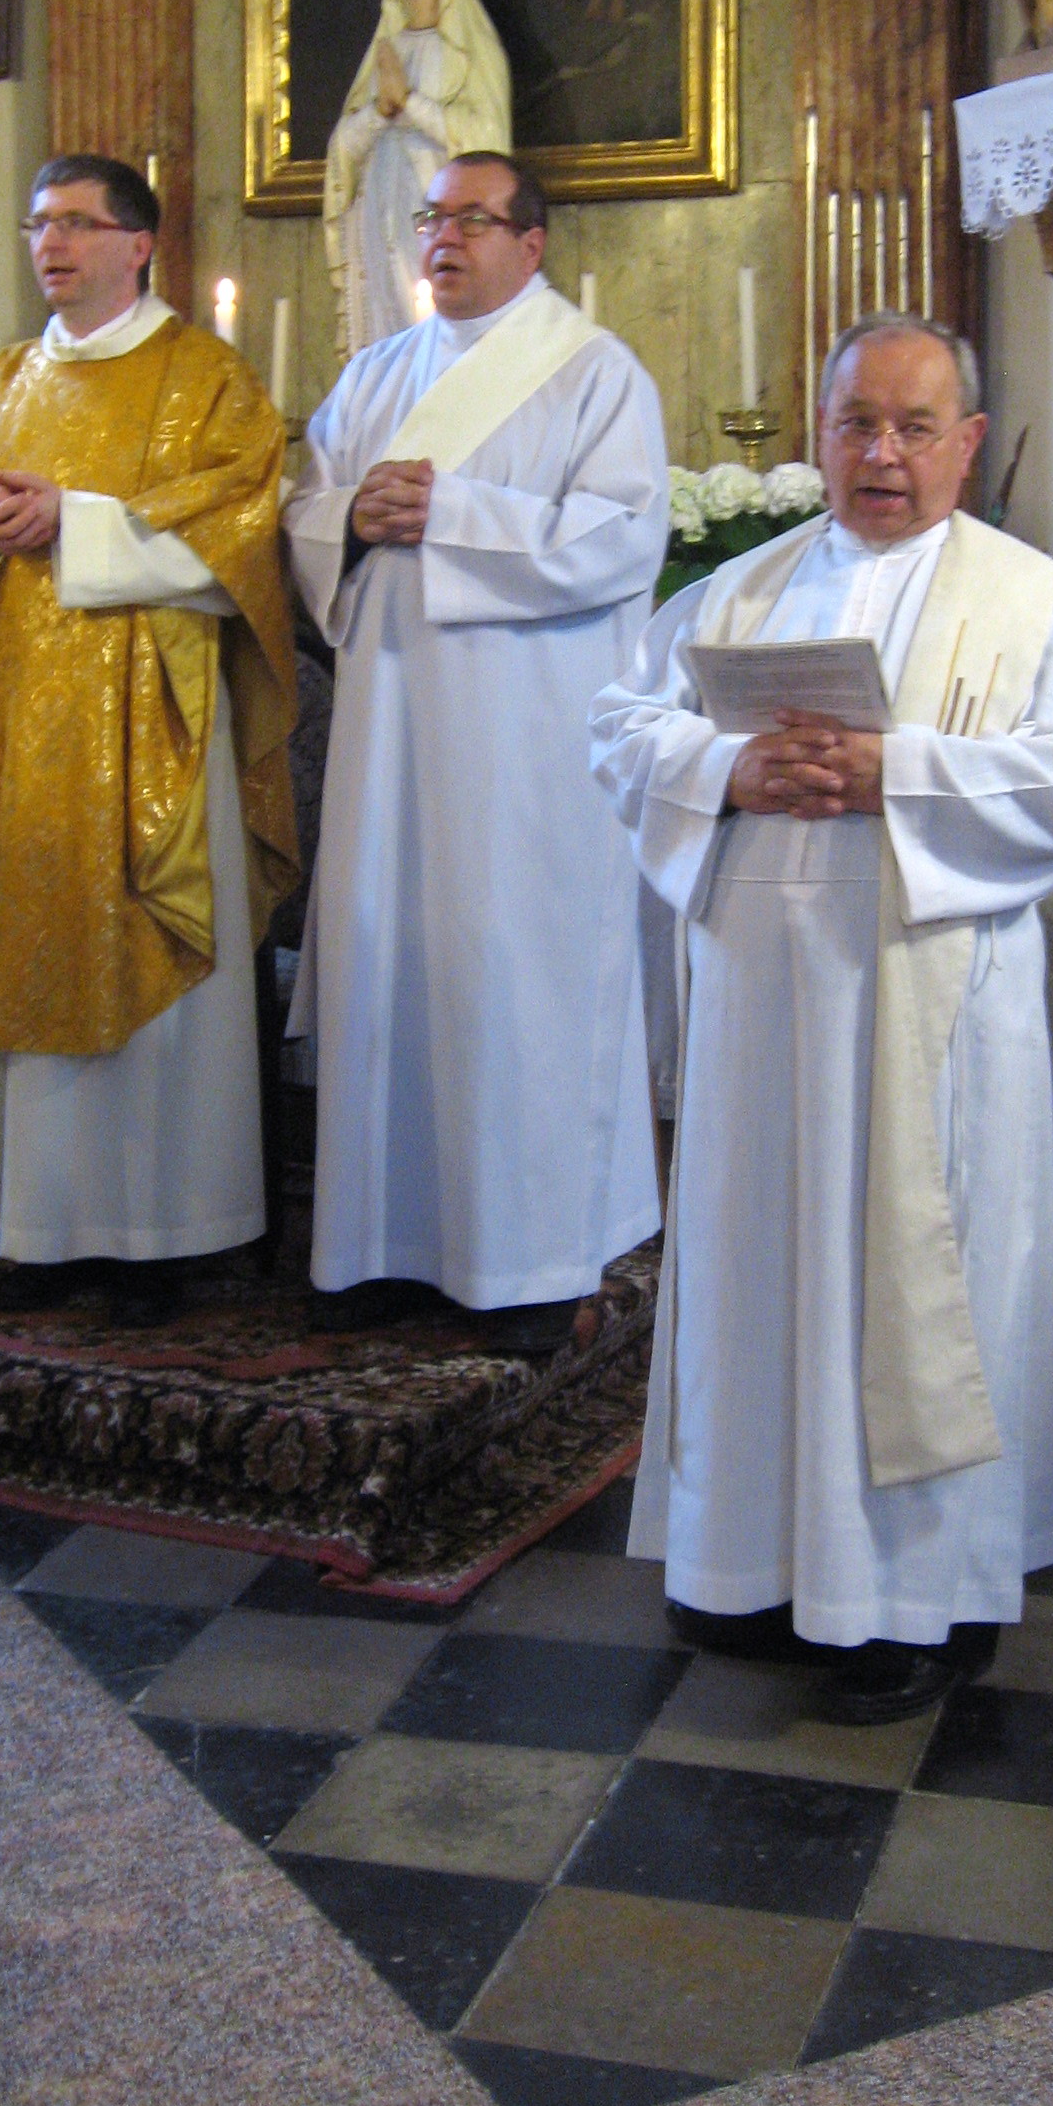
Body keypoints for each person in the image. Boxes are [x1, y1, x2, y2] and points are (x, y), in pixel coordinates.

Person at [590, 314, 1053, 1722]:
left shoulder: (1039, 606)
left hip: (927, 1011)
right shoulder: (743, 590)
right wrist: (728, 769)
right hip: (760, 1013)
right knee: (755, 1268)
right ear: (820, 433)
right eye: (856, 424)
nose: (881, 454)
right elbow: (622, 728)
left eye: (913, 427)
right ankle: (748, 1563)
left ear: (968, 442)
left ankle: (916, 1598)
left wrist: (898, 769)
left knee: (920, 1281)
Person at [0, 156, 298, 1330]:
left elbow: (241, 527)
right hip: (12, 723)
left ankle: (157, 1231)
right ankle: (34, 1220)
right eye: (39, 223)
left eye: (77, 222)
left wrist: (75, 519)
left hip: (147, 721)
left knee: (147, 955)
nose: (52, 243)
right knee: (16, 944)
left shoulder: (205, 378)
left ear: (139, 243)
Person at [285, 151, 668, 1351]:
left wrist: (449, 511)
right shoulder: (374, 372)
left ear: (531, 243)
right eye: (430, 217)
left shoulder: (595, 371)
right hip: (388, 731)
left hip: (524, 745)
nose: (443, 237)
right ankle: (381, 1244)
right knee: (389, 963)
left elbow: (623, 537)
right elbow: (305, 507)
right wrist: (350, 519)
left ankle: (533, 1261)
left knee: (513, 979)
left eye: (471, 219)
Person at [322, 0, 512, 357]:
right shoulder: (385, 52)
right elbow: (345, 148)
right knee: (389, 355)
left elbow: (487, 142)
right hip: (381, 220)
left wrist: (410, 105)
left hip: (440, 224)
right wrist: (380, 111)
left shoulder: (469, 51)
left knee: (440, 352)